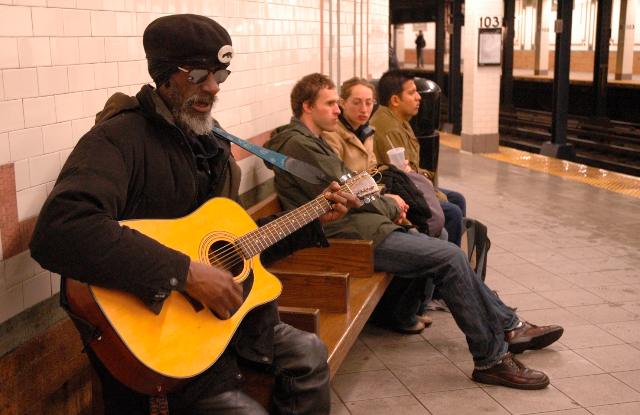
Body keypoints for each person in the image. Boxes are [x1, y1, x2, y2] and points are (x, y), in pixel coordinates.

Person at [29, 15, 358, 415]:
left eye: (220, 73)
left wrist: (312, 219)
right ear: (165, 76)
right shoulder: (118, 139)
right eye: (199, 74)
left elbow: (235, 252)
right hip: (163, 338)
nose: (213, 87)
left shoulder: (210, 144)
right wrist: (183, 272)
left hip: (231, 324)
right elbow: (61, 229)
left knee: (308, 352)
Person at [265, 72, 565, 390]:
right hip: (348, 239)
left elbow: (355, 186)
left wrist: (384, 202)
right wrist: (392, 206)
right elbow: (351, 191)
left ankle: (508, 327)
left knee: (449, 253)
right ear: (306, 107)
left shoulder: (310, 141)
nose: (337, 111)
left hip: (365, 228)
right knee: (449, 257)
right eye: (330, 104)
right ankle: (491, 358)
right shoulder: (300, 145)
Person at [370, 69, 466, 246]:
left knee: (457, 198)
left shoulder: (399, 120)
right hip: (402, 191)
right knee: (453, 211)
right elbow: (403, 176)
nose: (419, 97)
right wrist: (434, 191)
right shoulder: (389, 128)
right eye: (412, 92)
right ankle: (448, 261)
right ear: (395, 100)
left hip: (412, 184)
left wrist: (427, 179)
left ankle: (455, 256)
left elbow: (411, 169)